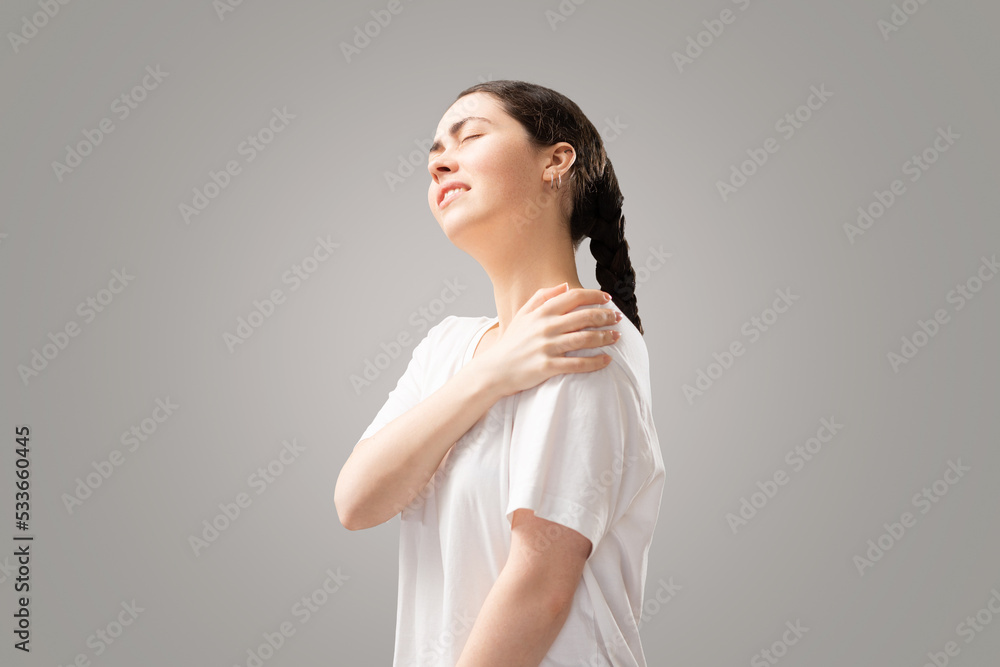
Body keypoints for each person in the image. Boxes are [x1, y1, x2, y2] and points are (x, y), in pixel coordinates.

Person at [335, 79, 665, 667]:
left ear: (555, 162)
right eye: (435, 151)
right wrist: (492, 373)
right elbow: (357, 502)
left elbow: (541, 588)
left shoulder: (583, 337)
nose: (439, 162)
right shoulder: (447, 346)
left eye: (469, 137)